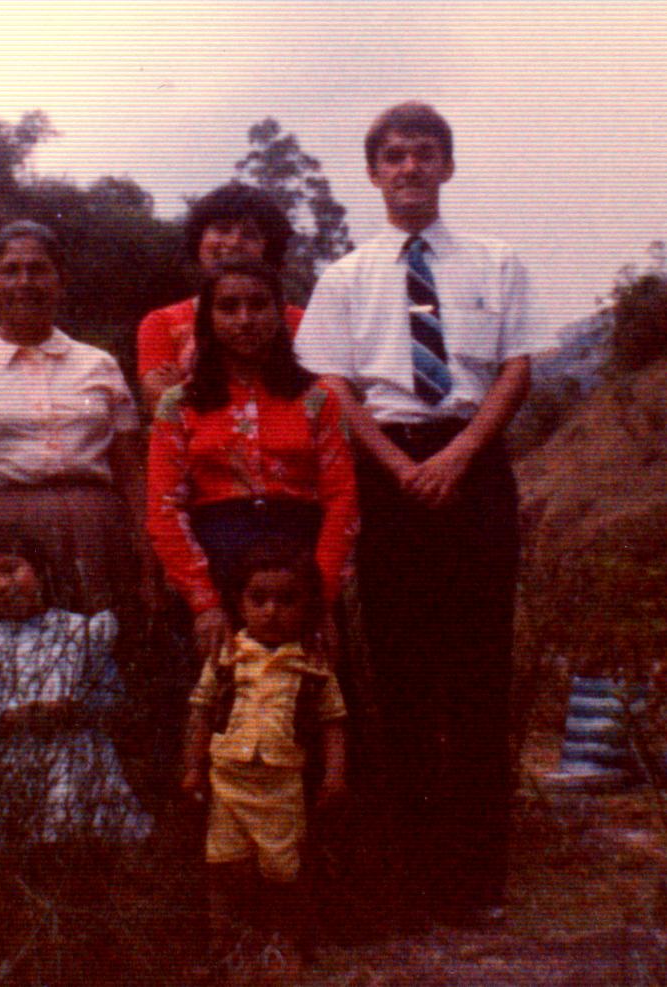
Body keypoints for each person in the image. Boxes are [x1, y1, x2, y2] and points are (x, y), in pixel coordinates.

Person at [295, 101, 544, 926]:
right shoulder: (345, 276)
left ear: (447, 166)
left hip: (474, 470)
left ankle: (476, 881)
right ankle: (413, 876)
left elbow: (515, 369)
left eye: (425, 153)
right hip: (389, 473)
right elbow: (333, 382)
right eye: (394, 156)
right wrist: (400, 465)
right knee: (400, 677)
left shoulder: (496, 261)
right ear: (374, 173)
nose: (409, 167)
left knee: (478, 675)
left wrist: (460, 454)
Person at [147, 258, 358, 666]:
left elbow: (342, 501)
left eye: (259, 304)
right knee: (220, 691)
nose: (245, 319)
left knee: (312, 690)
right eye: (228, 307)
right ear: (207, 319)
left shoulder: (318, 400)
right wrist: (203, 601)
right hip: (217, 563)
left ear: (280, 313)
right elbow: (164, 508)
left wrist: (321, 598)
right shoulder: (179, 404)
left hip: (303, 566)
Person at [0, 220, 148, 614]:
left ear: (60, 282)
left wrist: (146, 541)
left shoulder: (99, 364)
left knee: (98, 636)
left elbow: (130, 468)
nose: (25, 282)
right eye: (10, 271)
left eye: (38, 269)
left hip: (96, 530)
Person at [181, 539, 346, 978]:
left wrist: (334, 775)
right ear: (240, 603)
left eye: (287, 600)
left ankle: (283, 942)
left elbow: (332, 722)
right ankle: (225, 943)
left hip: (280, 786)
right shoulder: (227, 657)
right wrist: (193, 768)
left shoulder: (312, 665)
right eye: (259, 599)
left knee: (282, 868)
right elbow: (201, 712)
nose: (272, 611)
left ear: (307, 606)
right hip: (228, 782)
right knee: (224, 864)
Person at [0, 525, 153, 849]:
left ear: (40, 570)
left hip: (78, 754)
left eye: (10, 570)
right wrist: (8, 719)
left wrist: (74, 710)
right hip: (17, 758)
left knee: (85, 844)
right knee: (26, 848)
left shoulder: (81, 631)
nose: (1, 586)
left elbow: (113, 697)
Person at [137, 181, 300, 415]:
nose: (234, 242)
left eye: (249, 235)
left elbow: (316, 400)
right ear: (199, 238)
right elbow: (161, 406)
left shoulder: (301, 322)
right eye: (222, 230)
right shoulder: (161, 323)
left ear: (269, 248)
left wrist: (186, 387)